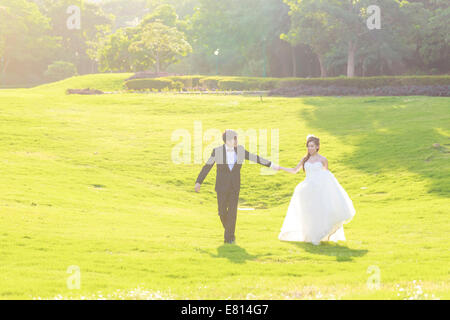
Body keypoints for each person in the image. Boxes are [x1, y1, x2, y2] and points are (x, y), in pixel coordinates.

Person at [195, 129, 279, 244]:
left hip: (234, 187)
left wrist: (271, 165)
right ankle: (229, 232)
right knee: (222, 212)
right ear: (228, 140)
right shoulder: (217, 151)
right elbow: (207, 166)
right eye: (235, 138)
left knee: (232, 213)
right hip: (221, 187)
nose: (237, 140)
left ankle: (229, 238)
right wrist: (199, 182)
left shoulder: (240, 150)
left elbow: (255, 157)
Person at [278, 134, 356, 245]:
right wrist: (280, 168)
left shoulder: (323, 160)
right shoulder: (305, 160)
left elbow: (326, 177)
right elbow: (294, 170)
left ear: (317, 147)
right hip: (307, 190)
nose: (310, 148)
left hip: (319, 190)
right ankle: (308, 236)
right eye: (308, 146)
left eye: (312, 146)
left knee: (319, 213)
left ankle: (321, 236)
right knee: (308, 214)